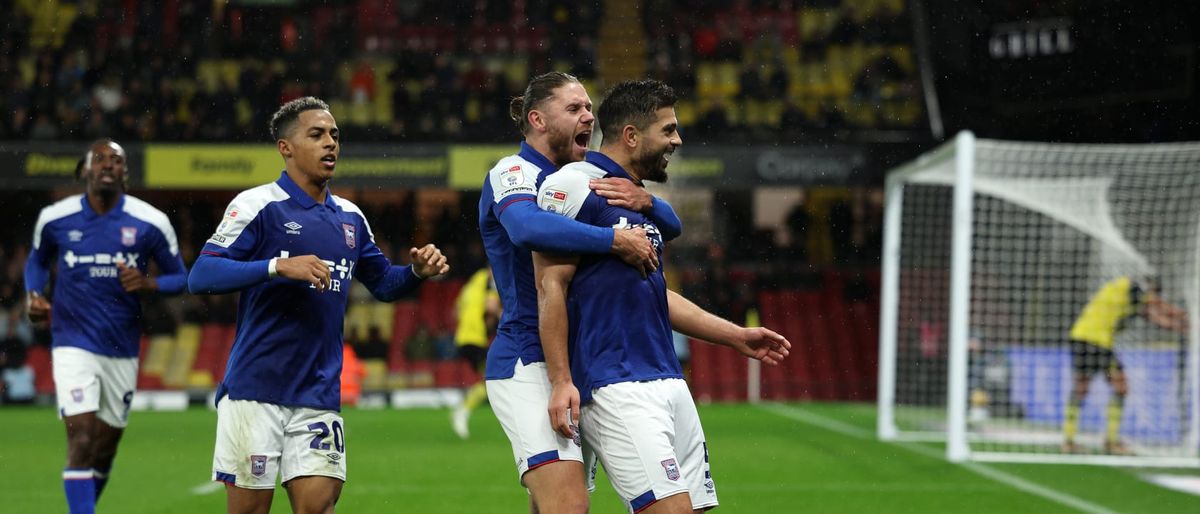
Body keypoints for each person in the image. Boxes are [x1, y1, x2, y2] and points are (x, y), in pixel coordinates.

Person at [534, 79, 791, 514]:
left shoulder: (639, 200)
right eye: (668, 130)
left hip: (668, 381)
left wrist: (733, 335)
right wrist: (562, 382)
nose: (677, 140)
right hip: (615, 384)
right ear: (632, 136)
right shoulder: (575, 184)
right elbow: (550, 287)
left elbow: (656, 295)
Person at [187, 97, 450, 514]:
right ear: (285, 147)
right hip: (256, 392)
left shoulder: (350, 217)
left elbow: (383, 284)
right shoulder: (257, 205)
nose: (330, 143)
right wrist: (277, 265)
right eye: (316, 135)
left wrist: (416, 272)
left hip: (319, 393)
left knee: (317, 507)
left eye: (334, 135)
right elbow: (201, 276)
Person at [481, 71, 684, 514]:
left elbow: (669, 227)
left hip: (579, 361)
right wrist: (613, 241)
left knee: (553, 506)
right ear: (537, 119)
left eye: (589, 108)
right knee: (569, 506)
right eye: (574, 109)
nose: (588, 116)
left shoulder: (583, 180)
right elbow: (526, 227)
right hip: (529, 358)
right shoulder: (513, 171)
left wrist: (648, 202)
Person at [24, 138, 188, 514]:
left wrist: (149, 283)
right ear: (85, 170)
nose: (108, 165)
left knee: (104, 446)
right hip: (72, 342)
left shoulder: (150, 222)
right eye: (99, 159)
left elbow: (182, 278)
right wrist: (34, 293)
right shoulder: (55, 218)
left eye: (116, 160)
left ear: (125, 173)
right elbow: (36, 262)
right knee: (81, 438)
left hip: (122, 347)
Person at [1063, 275, 1187, 455]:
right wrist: (1184, 314)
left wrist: (1184, 327)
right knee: (1121, 387)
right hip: (1097, 341)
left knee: (1082, 388)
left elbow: (1158, 319)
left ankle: (1068, 441)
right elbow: (1157, 305)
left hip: (1080, 336)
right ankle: (1111, 441)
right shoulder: (1130, 286)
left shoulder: (1132, 301)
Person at [450, 265, 501, 439]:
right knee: (490, 380)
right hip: (476, 338)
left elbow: (455, 310)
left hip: (462, 337)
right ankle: (463, 410)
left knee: (488, 379)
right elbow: (492, 307)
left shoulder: (475, 280)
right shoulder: (489, 283)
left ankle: (464, 409)